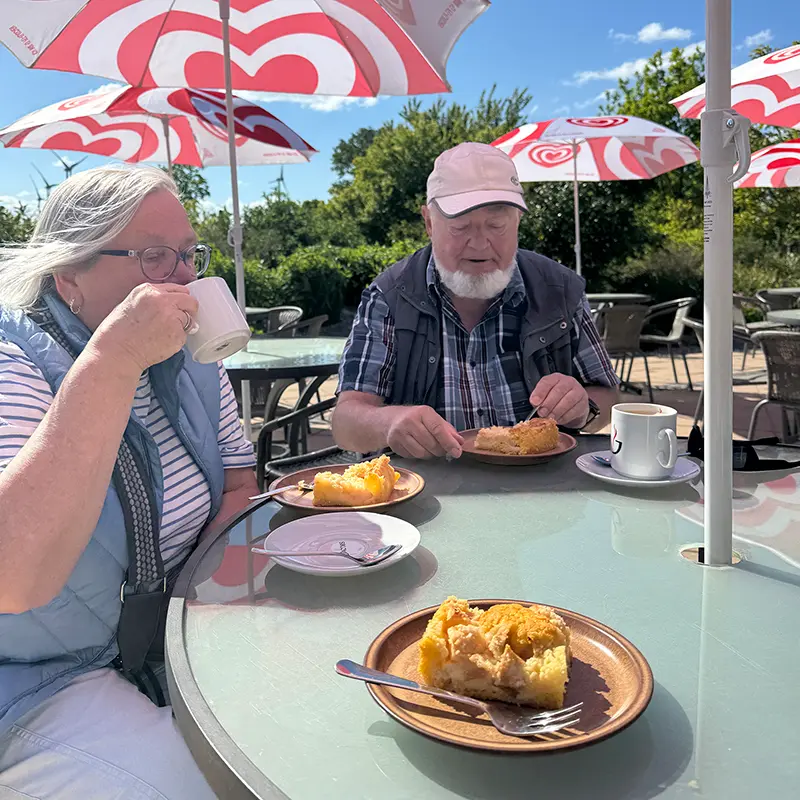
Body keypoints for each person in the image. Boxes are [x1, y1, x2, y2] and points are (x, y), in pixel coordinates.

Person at [0, 165, 258, 799]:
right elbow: (14, 577)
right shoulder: (14, 363)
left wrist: (216, 600)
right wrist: (112, 360)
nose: (185, 277)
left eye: (188, 255)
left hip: (178, 634)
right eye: (152, 257)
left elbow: (238, 483)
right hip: (41, 673)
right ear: (69, 279)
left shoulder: (195, 355)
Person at [333, 142, 620, 459]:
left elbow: (607, 397)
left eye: (497, 225)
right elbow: (345, 422)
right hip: (429, 491)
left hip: (544, 488)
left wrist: (583, 408)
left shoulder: (560, 290)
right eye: (460, 226)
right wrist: (388, 422)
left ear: (517, 223)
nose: (481, 244)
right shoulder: (389, 296)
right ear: (429, 223)